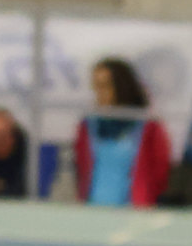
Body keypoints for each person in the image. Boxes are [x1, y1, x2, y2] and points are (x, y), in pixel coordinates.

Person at [67, 58, 174, 209]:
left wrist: (146, 200)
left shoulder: (149, 127)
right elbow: (81, 169)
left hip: (133, 210)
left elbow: (160, 174)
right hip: (93, 208)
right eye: (96, 86)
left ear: (122, 86)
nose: (99, 93)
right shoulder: (88, 126)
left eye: (105, 86)